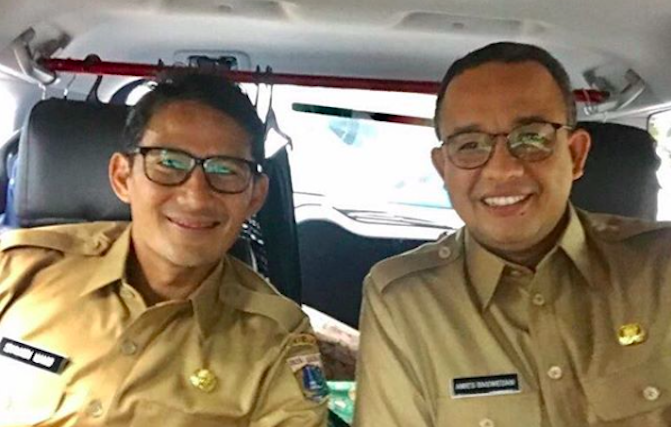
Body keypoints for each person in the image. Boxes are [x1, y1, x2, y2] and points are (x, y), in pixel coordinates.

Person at [354, 42, 671, 426]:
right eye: (470, 145)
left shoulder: (660, 268)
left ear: (575, 155)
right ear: (443, 169)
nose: (502, 169)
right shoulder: (404, 301)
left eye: (531, 138)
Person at [0, 73, 329, 427]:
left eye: (225, 170)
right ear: (123, 177)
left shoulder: (276, 340)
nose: (196, 196)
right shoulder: (18, 270)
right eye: (169, 163)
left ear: (255, 197)